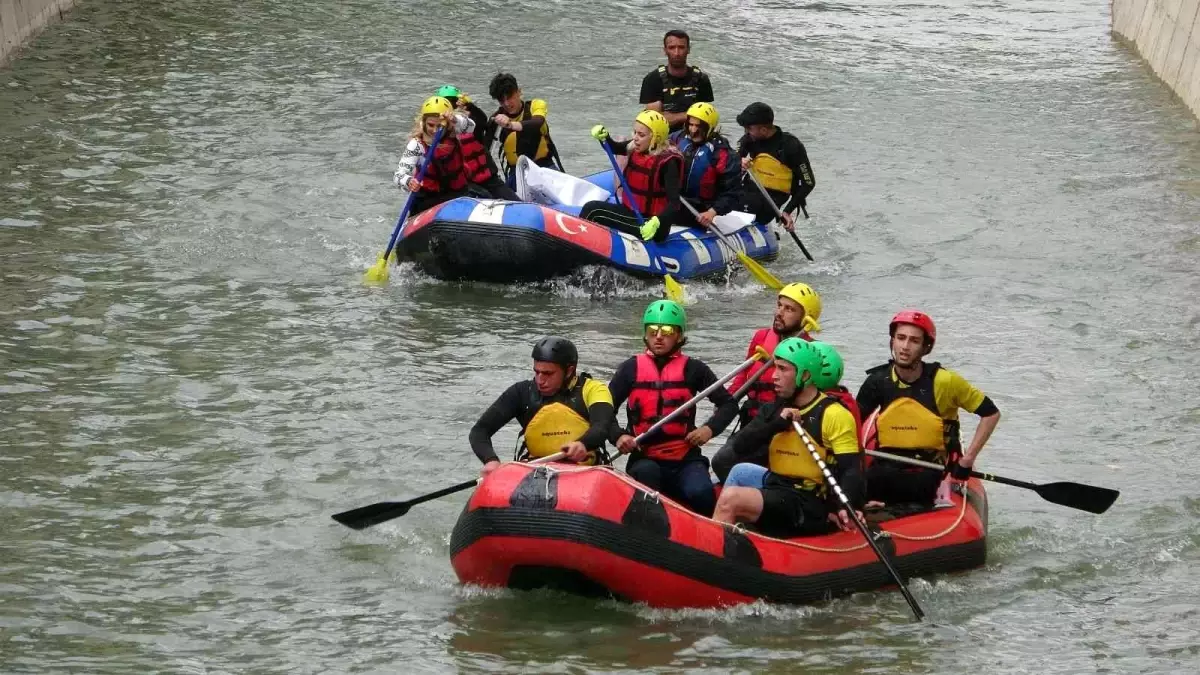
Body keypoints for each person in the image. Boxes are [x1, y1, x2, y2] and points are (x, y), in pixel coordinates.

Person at [713, 339, 863, 536]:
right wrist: (776, 425)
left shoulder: (834, 414)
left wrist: (846, 505)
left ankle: (720, 536)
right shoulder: (774, 408)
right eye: (775, 368)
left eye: (783, 369)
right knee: (741, 470)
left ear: (806, 375)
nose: (774, 376)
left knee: (731, 498)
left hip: (808, 500)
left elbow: (851, 469)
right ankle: (730, 531)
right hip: (778, 484)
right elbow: (740, 446)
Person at [855, 310, 1001, 508]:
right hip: (886, 464)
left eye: (914, 341)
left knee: (914, 487)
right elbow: (851, 424)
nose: (905, 347)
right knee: (865, 485)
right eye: (901, 338)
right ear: (892, 341)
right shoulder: (877, 381)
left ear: (926, 347)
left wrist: (967, 460)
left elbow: (991, 413)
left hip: (931, 469)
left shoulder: (945, 381)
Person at [607, 300, 738, 516]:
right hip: (645, 456)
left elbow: (728, 404)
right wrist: (618, 436)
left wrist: (708, 429)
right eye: (652, 330)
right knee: (647, 480)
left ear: (679, 335)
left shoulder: (695, 369)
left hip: (685, 457)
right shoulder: (630, 369)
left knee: (701, 493)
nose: (659, 336)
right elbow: (604, 410)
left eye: (667, 330)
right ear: (645, 334)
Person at [469, 337, 615, 477]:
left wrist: (583, 444)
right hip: (535, 472)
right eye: (536, 372)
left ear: (569, 371)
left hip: (585, 472)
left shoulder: (594, 390)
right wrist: (490, 460)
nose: (540, 380)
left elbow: (602, 426)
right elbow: (480, 431)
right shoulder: (521, 392)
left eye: (547, 373)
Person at [580, 110, 684, 243]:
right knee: (591, 207)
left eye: (641, 135)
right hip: (632, 212)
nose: (635, 137)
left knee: (592, 211)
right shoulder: (636, 146)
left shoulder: (669, 162)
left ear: (655, 138)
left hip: (651, 224)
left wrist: (658, 221)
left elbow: (674, 203)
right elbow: (614, 148)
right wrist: (605, 138)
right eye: (635, 132)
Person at [431, 85, 521, 202]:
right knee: (484, 197)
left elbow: (481, 121)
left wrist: (470, 106)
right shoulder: (435, 130)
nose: (451, 107)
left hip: (489, 179)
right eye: (446, 103)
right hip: (465, 183)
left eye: (453, 102)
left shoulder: (469, 122)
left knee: (514, 201)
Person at [735, 102, 815, 232]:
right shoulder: (749, 139)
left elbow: (808, 182)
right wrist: (738, 161)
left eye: (748, 129)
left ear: (764, 130)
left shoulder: (791, 146)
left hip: (773, 196)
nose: (745, 133)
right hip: (750, 188)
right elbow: (732, 159)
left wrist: (787, 211)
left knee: (749, 206)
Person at [393, 96, 474, 215]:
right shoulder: (417, 145)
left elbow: (471, 126)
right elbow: (398, 175)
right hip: (428, 200)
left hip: (456, 195)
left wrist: (454, 119)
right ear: (423, 123)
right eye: (430, 125)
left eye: (440, 126)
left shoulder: (454, 132)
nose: (435, 131)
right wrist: (409, 181)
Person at [668, 102, 740, 228]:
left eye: (699, 126)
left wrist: (712, 212)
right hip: (674, 200)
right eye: (690, 125)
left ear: (710, 127)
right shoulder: (678, 138)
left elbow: (732, 192)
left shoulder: (723, 154)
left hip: (699, 209)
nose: (693, 130)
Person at [487, 72, 562, 185]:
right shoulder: (496, 120)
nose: (507, 103)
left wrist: (510, 125)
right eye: (502, 100)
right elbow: (485, 149)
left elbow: (537, 122)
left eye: (510, 97)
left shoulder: (536, 106)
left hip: (545, 167)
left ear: (519, 91)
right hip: (516, 174)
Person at [639, 30, 715, 133]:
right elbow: (654, 121)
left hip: (694, 135)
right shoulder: (653, 80)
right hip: (663, 136)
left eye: (681, 47)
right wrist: (689, 115)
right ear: (665, 50)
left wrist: (674, 117)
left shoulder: (701, 79)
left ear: (688, 49)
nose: (677, 53)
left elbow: (705, 118)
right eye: (672, 48)